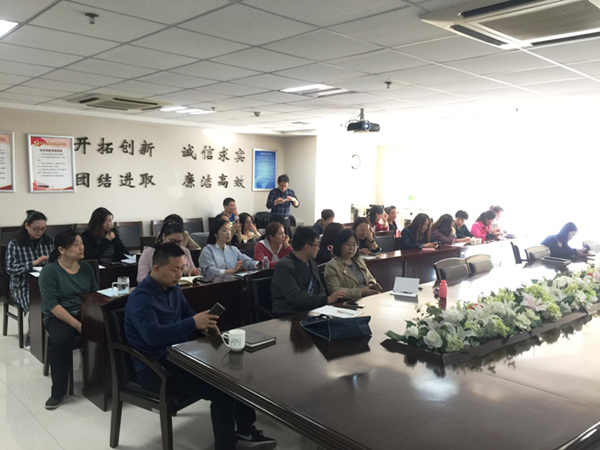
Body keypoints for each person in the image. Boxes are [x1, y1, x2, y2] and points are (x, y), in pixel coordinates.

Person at [125, 243, 276, 450]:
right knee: (222, 388)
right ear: (156, 268)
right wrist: (192, 323)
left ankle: (244, 429)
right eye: (174, 269)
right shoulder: (141, 298)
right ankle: (226, 445)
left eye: (182, 268)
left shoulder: (172, 287)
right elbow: (152, 336)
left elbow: (187, 313)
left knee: (236, 373)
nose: (179, 274)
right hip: (154, 367)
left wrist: (206, 325)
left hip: (178, 355)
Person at [39, 230, 98, 409]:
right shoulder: (50, 271)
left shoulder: (86, 268)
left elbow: (94, 295)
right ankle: (58, 391)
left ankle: (101, 381)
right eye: (76, 245)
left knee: (111, 329)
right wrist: (78, 325)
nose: (82, 247)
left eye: (82, 243)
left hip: (83, 312)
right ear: (62, 250)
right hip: (59, 316)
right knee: (61, 339)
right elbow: (52, 305)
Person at [271, 227, 346, 316]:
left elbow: (321, 289)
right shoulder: (283, 266)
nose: (318, 248)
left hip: (312, 310)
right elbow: (295, 297)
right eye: (317, 245)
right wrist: (325, 300)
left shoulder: (312, 263)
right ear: (307, 247)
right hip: (289, 314)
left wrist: (322, 302)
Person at [6, 210, 54, 347]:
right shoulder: (15, 244)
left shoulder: (49, 242)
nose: (40, 232)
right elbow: (10, 268)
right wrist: (33, 263)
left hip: (46, 282)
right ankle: (32, 335)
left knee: (59, 298)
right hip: (22, 285)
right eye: (36, 229)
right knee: (37, 301)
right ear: (27, 226)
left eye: (43, 229)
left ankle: (51, 332)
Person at [324, 229, 381, 301]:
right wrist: (361, 291)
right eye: (347, 244)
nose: (351, 248)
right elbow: (335, 290)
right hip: (348, 303)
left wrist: (371, 284)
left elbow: (370, 277)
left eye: (354, 245)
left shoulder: (359, 260)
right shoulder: (332, 266)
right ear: (339, 245)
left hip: (367, 299)